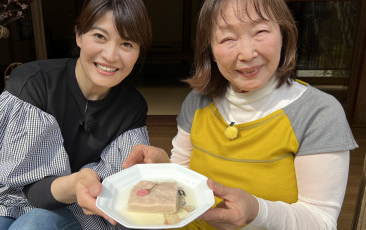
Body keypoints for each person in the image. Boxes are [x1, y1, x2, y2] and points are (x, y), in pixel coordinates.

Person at [123, 0, 359, 229]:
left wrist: (256, 211)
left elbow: (320, 221)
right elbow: (183, 179)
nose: (246, 53)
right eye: (227, 38)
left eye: (260, 31)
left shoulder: (319, 114)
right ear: (211, 51)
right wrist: (163, 166)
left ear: (284, 35)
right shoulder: (197, 101)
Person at [0, 0, 152, 229]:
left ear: (138, 52)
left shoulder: (132, 107)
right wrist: (76, 182)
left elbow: (122, 192)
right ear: (79, 35)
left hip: (83, 209)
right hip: (12, 199)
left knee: (35, 223)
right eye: (100, 36)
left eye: (127, 43)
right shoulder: (33, 83)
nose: (110, 55)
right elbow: (31, 189)